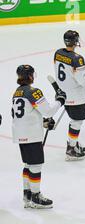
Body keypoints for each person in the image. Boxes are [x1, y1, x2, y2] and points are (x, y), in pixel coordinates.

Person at [12, 65, 66, 209]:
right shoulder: (33, 92)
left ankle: (27, 195)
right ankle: (35, 197)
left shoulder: (17, 92)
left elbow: (25, 114)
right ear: (30, 76)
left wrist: (42, 122)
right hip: (31, 135)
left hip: (20, 134)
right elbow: (48, 111)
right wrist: (60, 100)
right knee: (36, 165)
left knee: (28, 164)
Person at [54, 30, 85, 161]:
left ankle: (73, 144)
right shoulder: (77, 58)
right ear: (75, 41)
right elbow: (81, 80)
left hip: (63, 94)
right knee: (77, 122)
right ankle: (71, 149)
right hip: (76, 95)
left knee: (74, 121)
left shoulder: (58, 53)